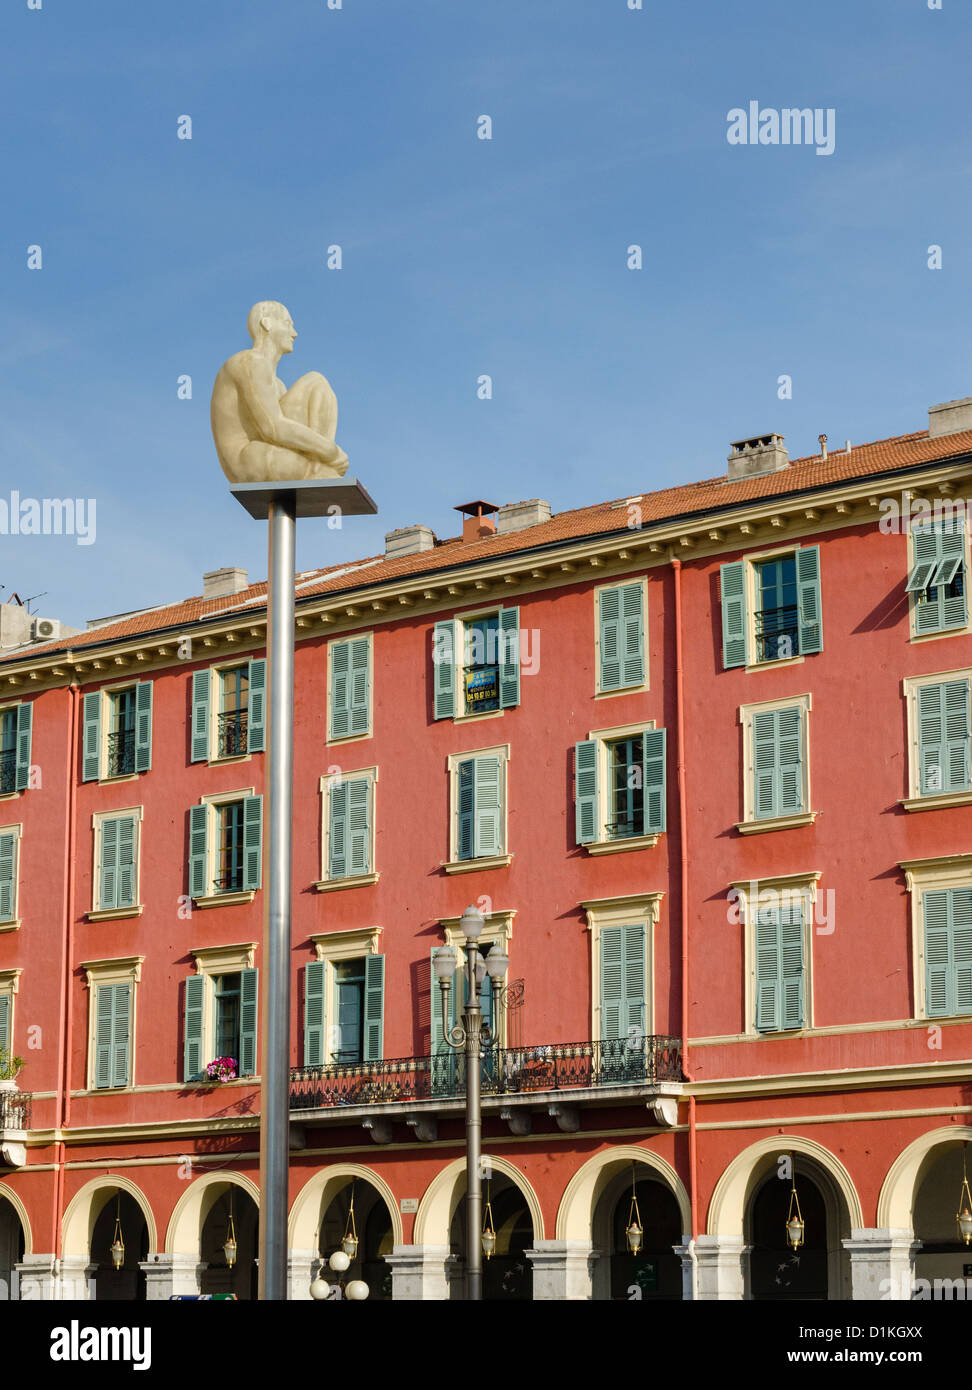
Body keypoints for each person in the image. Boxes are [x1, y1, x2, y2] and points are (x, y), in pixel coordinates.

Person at [210, 300, 349, 483]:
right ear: (266, 323)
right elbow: (272, 428)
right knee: (316, 380)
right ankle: (318, 466)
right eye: (288, 324)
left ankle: (317, 464)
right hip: (249, 460)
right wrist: (330, 451)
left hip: (267, 451)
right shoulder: (250, 362)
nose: (294, 333)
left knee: (317, 385)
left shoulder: (278, 385)